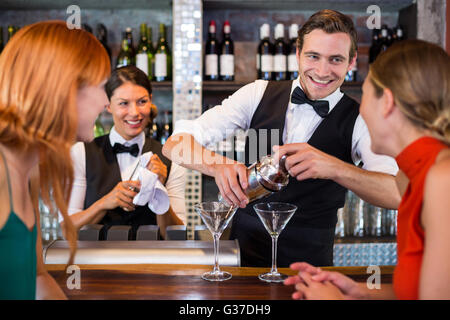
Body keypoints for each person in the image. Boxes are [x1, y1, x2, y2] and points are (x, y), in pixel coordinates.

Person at [162, 9, 400, 267]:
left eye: (335, 60)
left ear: (352, 62)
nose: (322, 71)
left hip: (311, 270)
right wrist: (217, 165)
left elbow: (396, 194)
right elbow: (174, 145)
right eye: (313, 56)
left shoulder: (360, 118)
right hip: (243, 262)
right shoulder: (257, 94)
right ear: (297, 54)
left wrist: (336, 168)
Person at [284, 39, 450, 300]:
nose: (360, 108)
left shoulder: (442, 180)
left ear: (387, 102)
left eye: (365, 93)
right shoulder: (412, 176)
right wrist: (362, 293)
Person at [0, 21, 110, 299]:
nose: (106, 101)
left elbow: (37, 277)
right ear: (63, 88)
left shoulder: (29, 171)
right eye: (101, 86)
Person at [64, 66, 185, 240]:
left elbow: (176, 236)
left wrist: (160, 192)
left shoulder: (171, 158)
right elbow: (67, 229)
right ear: (108, 105)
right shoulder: (81, 152)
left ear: (151, 101)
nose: (134, 112)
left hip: (153, 263)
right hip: (95, 264)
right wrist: (104, 203)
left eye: (142, 102)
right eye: (124, 103)